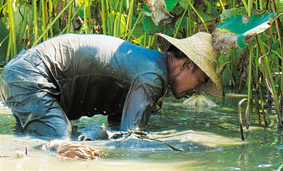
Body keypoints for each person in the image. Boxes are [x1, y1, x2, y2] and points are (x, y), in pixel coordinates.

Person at [0, 32, 223, 139]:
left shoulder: (151, 70)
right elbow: (130, 137)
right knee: (62, 142)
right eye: (201, 81)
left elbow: (118, 127)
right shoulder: (153, 77)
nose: (196, 90)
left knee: (38, 140)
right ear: (185, 65)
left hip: (25, 74)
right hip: (31, 77)